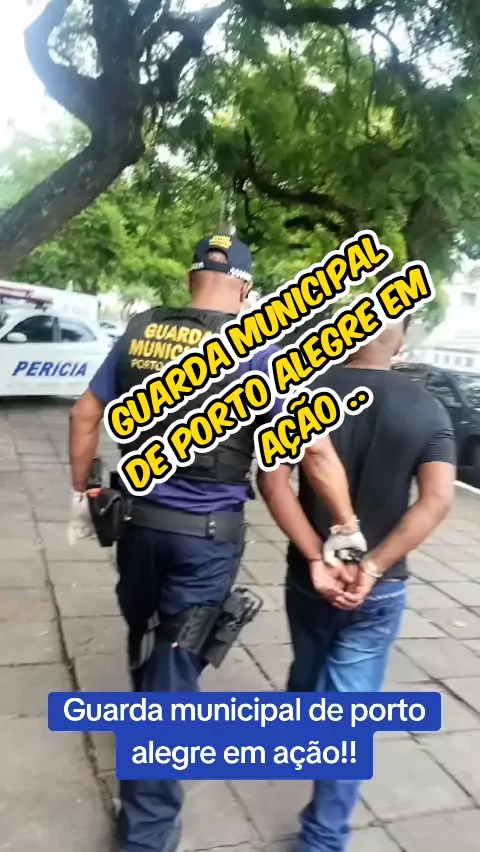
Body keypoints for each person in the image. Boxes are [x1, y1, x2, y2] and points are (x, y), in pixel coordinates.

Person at [68, 234, 366, 852]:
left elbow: (84, 414)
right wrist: (344, 528)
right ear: (247, 290)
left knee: (148, 643)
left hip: (138, 529)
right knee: (175, 672)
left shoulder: (140, 333)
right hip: (205, 544)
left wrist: (84, 490)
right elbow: (312, 454)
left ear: (189, 280)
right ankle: (147, 832)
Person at [260, 319, 456, 852]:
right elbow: (437, 500)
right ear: (402, 343)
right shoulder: (427, 409)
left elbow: (272, 482)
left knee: (308, 665)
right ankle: (323, 838)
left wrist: (314, 555)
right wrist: (372, 567)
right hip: (380, 587)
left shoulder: (305, 394)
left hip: (310, 576)